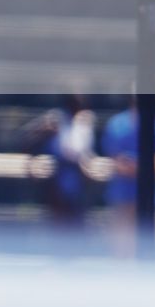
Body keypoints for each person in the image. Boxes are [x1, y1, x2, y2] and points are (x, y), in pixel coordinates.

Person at [97, 101, 155, 255]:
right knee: (121, 249)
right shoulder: (117, 124)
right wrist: (148, 166)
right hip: (122, 197)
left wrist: (135, 166)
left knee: (153, 247)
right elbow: (118, 162)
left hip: (153, 198)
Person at [15, 93, 95, 229]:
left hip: (75, 174)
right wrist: (32, 160)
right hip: (56, 173)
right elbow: (25, 140)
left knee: (75, 216)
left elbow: (82, 152)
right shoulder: (54, 120)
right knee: (58, 216)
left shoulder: (83, 122)